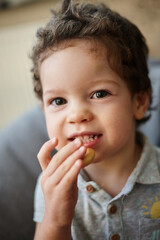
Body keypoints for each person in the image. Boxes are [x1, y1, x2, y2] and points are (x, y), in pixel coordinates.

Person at [31, 0, 160, 239]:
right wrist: (56, 220)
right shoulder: (51, 184)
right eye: (58, 101)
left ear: (139, 102)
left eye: (99, 94)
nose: (77, 115)